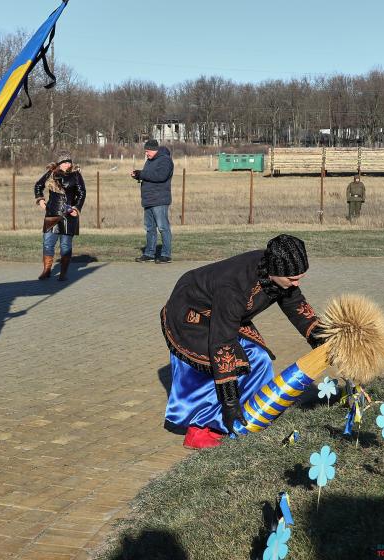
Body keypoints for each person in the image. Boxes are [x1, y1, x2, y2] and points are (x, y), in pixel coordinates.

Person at [160, 234, 323, 449]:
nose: (297, 283)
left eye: (300, 277)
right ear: (275, 271)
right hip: (191, 314)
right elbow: (222, 343)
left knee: (260, 358)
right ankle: (200, 429)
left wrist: (323, 341)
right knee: (221, 366)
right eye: (292, 279)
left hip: (223, 313)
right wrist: (229, 403)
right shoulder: (234, 288)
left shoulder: (278, 273)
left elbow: (297, 306)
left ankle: (249, 414)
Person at [34, 150, 86, 281]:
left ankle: (63, 273)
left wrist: (77, 208)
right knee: (47, 243)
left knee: (65, 245)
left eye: (69, 162)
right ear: (59, 163)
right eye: (64, 162)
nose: (67, 164)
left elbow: (82, 193)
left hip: (69, 214)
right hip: (52, 213)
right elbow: (38, 186)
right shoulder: (51, 173)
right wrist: (40, 199)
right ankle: (46, 271)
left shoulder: (76, 175)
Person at [132, 139, 173, 263]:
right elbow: (148, 175)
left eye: (147, 151)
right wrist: (138, 175)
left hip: (160, 199)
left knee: (163, 227)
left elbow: (160, 176)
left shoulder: (165, 160)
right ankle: (149, 253)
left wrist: (142, 174)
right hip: (149, 199)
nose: (146, 154)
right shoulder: (150, 161)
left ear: (154, 150)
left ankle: (166, 254)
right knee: (149, 228)